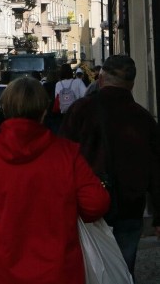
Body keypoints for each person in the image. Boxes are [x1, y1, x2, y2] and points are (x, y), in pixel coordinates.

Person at [0, 77, 110, 284]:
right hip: (58, 270)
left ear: (5, 110)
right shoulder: (67, 154)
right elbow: (96, 203)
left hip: (2, 269)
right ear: (43, 112)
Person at [60, 55, 160, 277]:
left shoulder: (80, 111)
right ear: (132, 84)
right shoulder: (143, 119)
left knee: (90, 269)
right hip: (130, 206)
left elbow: (63, 159)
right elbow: (156, 171)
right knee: (123, 270)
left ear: (102, 79)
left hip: (88, 206)